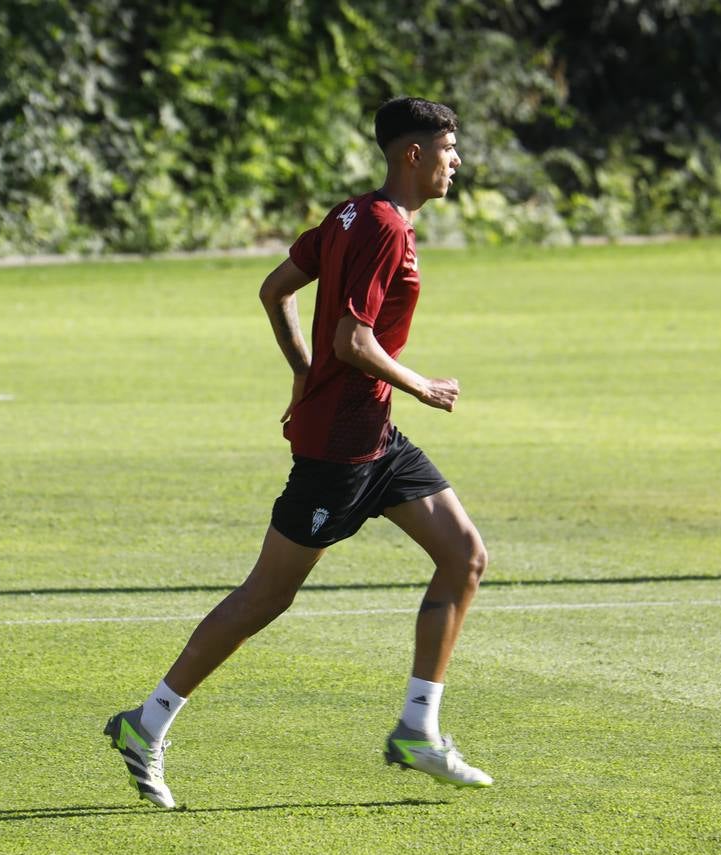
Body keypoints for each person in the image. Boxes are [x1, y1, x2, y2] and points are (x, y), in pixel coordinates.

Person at [104, 98, 491, 808]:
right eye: (447, 148)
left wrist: (301, 373)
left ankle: (418, 729)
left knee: (464, 554)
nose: (456, 160)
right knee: (266, 596)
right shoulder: (380, 228)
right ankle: (145, 723)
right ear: (412, 154)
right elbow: (353, 339)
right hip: (338, 452)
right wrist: (421, 384)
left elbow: (274, 290)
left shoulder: (351, 214)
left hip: (372, 438)